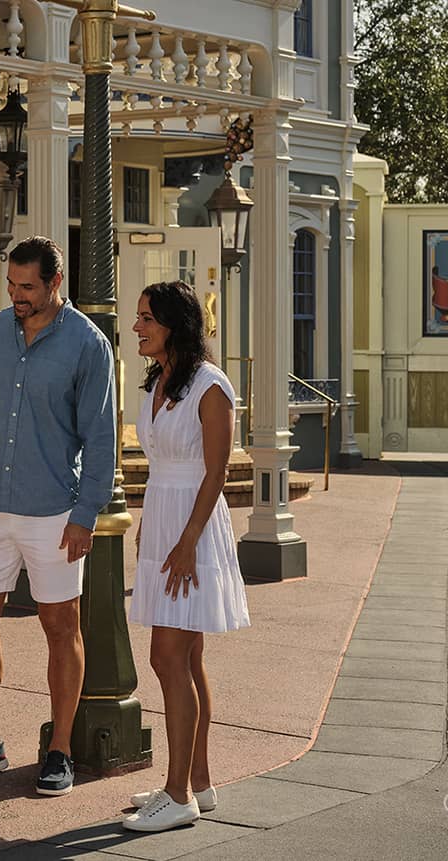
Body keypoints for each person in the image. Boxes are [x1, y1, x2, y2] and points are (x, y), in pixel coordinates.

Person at [0, 236, 118, 797]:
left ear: (53, 283)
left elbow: (100, 435)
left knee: (61, 627)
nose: (17, 295)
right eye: (11, 285)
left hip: (53, 512)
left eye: (28, 287)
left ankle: (59, 750)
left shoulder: (89, 345)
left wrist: (86, 512)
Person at [120, 281, 250, 832]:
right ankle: (197, 781)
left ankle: (176, 797)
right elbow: (164, 467)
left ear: (175, 322)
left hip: (193, 531)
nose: (137, 327)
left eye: (147, 317)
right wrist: (155, 523)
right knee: (186, 659)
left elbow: (216, 472)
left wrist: (187, 541)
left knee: (167, 658)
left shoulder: (210, 386)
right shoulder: (161, 380)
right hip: (167, 523)